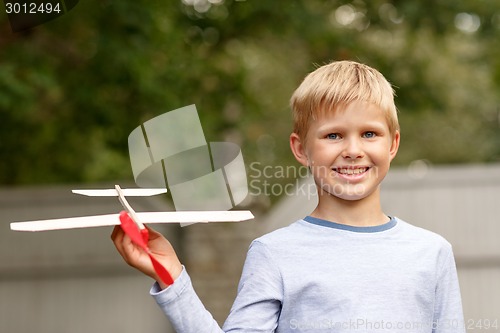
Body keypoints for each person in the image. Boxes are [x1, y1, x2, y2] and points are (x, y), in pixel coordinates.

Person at [111, 60, 465, 332]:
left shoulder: (431, 253)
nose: (353, 149)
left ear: (394, 144)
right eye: (333, 136)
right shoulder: (274, 254)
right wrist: (172, 278)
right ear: (301, 148)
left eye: (370, 133)